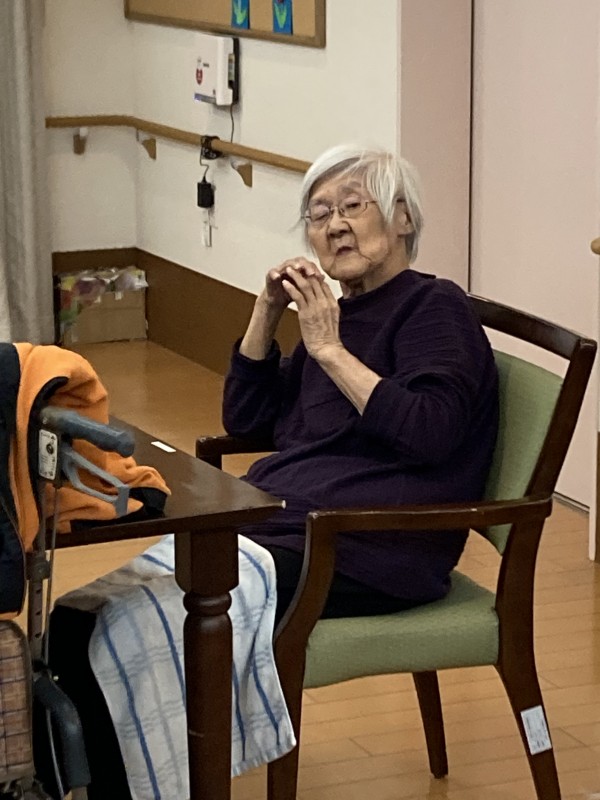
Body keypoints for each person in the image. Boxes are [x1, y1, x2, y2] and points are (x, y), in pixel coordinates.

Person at [223, 143, 499, 624]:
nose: (334, 226)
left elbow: (429, 433)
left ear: (403, 219)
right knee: (114, 601)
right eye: (319, 214)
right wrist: (266, 311)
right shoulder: (337, 315)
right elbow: (246, 421)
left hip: (369, 548)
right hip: (286, 521)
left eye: (352, 206)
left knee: (184, 599)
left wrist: (331, 351)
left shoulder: (433, 305)